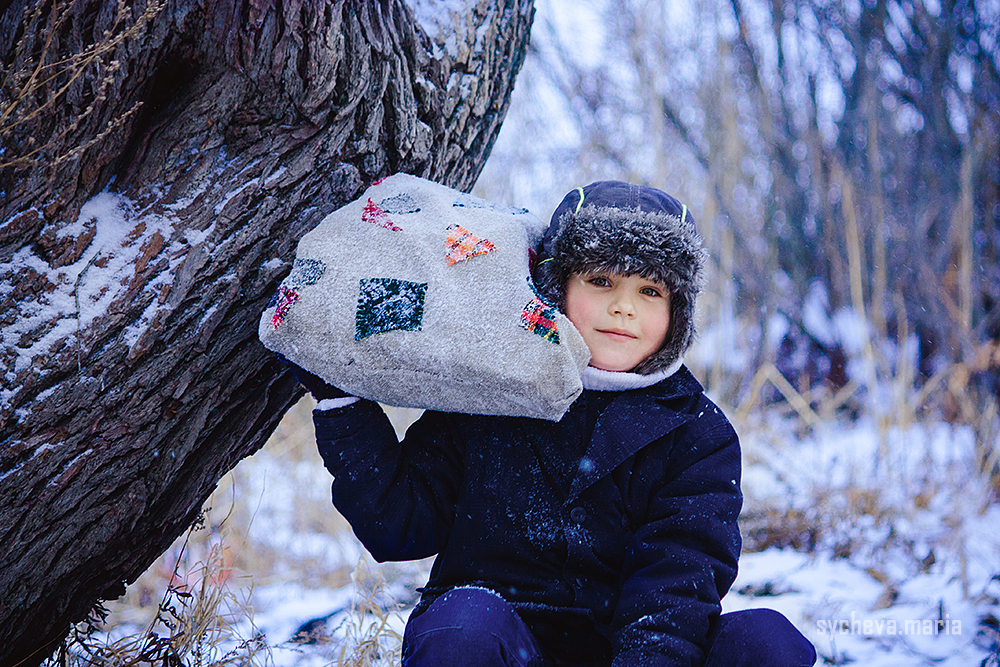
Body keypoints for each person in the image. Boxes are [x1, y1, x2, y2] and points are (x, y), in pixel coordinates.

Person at [286, 181, 816, 666]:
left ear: (678, 312)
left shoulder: (697, 433)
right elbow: (398, 524)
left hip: (638, 652)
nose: (623, 308)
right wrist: (344, 406)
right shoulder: (491, 389)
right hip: (503, 642)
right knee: (461, 623)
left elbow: (677, 583)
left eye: (650, 291)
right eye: (601, 280)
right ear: (555, 286)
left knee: (768, 642)